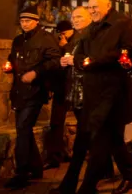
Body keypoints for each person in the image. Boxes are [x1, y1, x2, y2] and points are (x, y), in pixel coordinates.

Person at [73, 0, 132, 194]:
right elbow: (79, 54)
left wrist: (95, 62)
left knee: (100, 138)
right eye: (90, 7)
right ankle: (130, 176)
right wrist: (83, 62)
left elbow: (128, 52)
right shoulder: (91, 28)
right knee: (113, 138)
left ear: (108, 5)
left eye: (96, 6)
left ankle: (88, 185)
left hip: (113, 90)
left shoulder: (122, 24)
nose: (92, 10)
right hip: (93, 91)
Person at [4, 6, 61, 190]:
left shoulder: (46, 38)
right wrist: (9, 65)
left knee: (22, 128)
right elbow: (13, 58)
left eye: (28, 21)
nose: (25, 24)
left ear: (36, 21)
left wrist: (36, 73)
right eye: (22, 21)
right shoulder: (18, 40)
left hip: (36, 91)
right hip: (19, 91)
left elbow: (54, 61)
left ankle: (22, 172)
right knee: (24, 129)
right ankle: (36, 168)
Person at [51, 7, 95, 194]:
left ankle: (72, 184)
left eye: (79, 17)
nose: (75, 20)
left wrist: (73, 60)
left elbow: (93, 60)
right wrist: (64, 61)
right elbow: (71, 59)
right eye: (73, 17)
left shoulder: (93, 36)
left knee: (83, 141)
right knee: (95, 140)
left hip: (88, 94)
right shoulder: (75, 37)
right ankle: (124, 173)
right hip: (76, 93)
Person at [45, 19, 77, 169]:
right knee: (56, 122)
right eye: (60, 33)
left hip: (75, 88)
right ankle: (55, 155)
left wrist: (65, 47)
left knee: (85, 123)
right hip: (61, 88)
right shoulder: (57, 43)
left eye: (64, 33)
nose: (62, 36)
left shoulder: (78, 40)